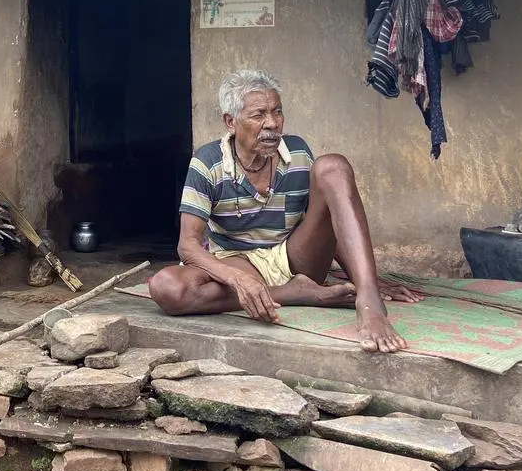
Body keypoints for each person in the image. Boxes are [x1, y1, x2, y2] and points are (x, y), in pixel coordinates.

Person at [147, 69, 420, 353]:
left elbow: (328, 223)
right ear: (231, 122)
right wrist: (238, 279)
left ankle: (370, 305)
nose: (272, 124)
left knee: (333, 166)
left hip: (294, 257)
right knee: (167, 287)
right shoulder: (207, 163)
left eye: (277, 112)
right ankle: (293, 294)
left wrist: (365, 280)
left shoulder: (299, 153)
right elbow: (188, 245)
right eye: (259, 115)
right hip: (236, 261)